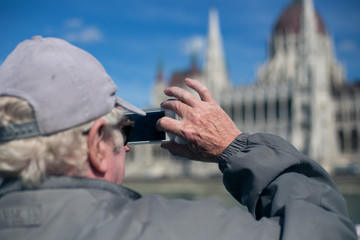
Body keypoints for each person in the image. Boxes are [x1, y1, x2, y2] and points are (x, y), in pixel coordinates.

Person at [0, 36, 356, 240]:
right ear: (95, 146)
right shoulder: (170, 230)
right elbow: (330, 232)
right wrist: (236, 147)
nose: (127, 145)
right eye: (124, 130)